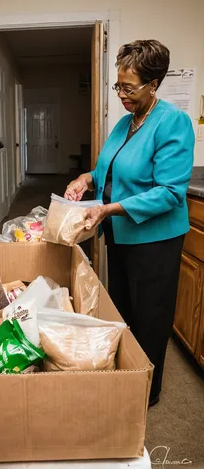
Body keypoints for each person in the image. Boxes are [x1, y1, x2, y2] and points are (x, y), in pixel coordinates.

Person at [65, 40, 194, 407]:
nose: (121, 94)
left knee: (150, 316)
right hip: (120, 234)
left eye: (129, 88)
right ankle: (124, 374)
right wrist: (86, 179)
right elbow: (112, 169)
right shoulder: (126, 122)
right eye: (118, 86)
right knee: (121, 307)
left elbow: (170, 192)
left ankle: (145, 391)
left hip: (154, 239)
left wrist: (109, 209)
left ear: (153, 84)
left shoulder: (173, 122)